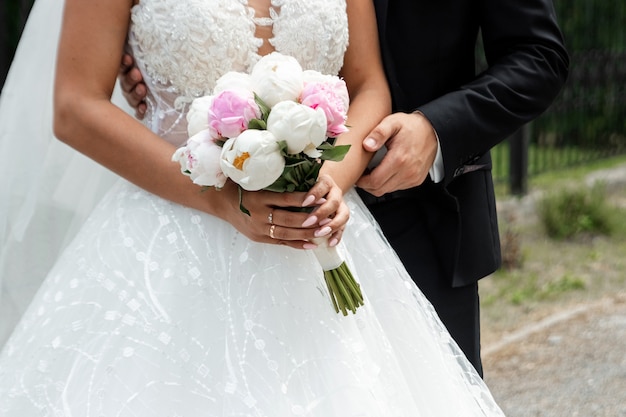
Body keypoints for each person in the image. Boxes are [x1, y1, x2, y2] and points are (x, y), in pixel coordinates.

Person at [0, 0, 506, 415]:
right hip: (172, 238)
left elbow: (368, 83)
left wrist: (332, 176)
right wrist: (222, 200)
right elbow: (75, 107)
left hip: (318, 232)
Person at [121, 0, 571, 375]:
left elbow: (538, 55)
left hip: (420, 218)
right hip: (205, 223)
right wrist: (156, 63)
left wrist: (437, 130)